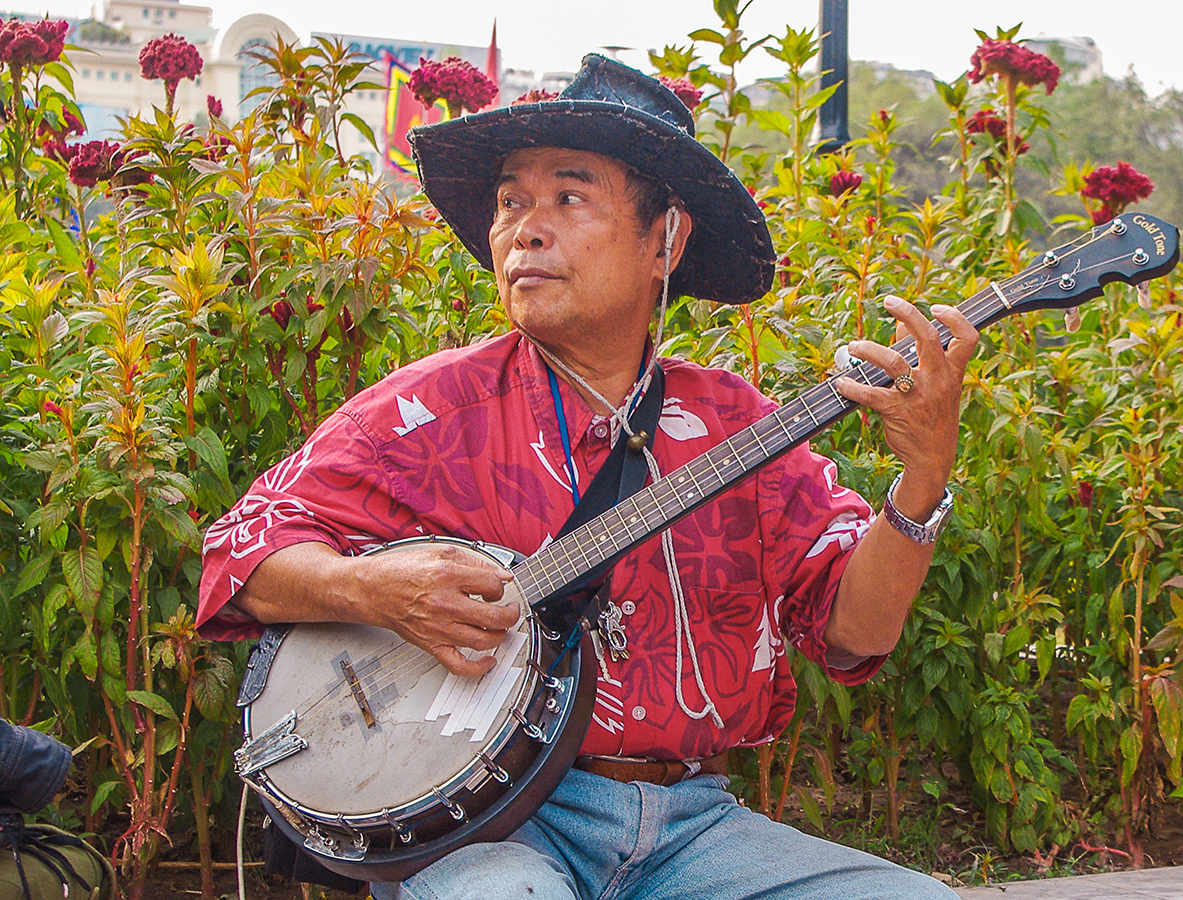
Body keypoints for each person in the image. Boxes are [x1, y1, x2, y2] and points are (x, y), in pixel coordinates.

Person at [198, 56, 977, 900]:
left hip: (695, 828)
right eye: (509, 202)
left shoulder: (739, 425)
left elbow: (855, 633)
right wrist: (369, 590)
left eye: (569, 198)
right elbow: (236, 556)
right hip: (487, 832)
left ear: (665, 239)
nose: (524, 230)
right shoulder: (427, 410)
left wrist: (924, 472)